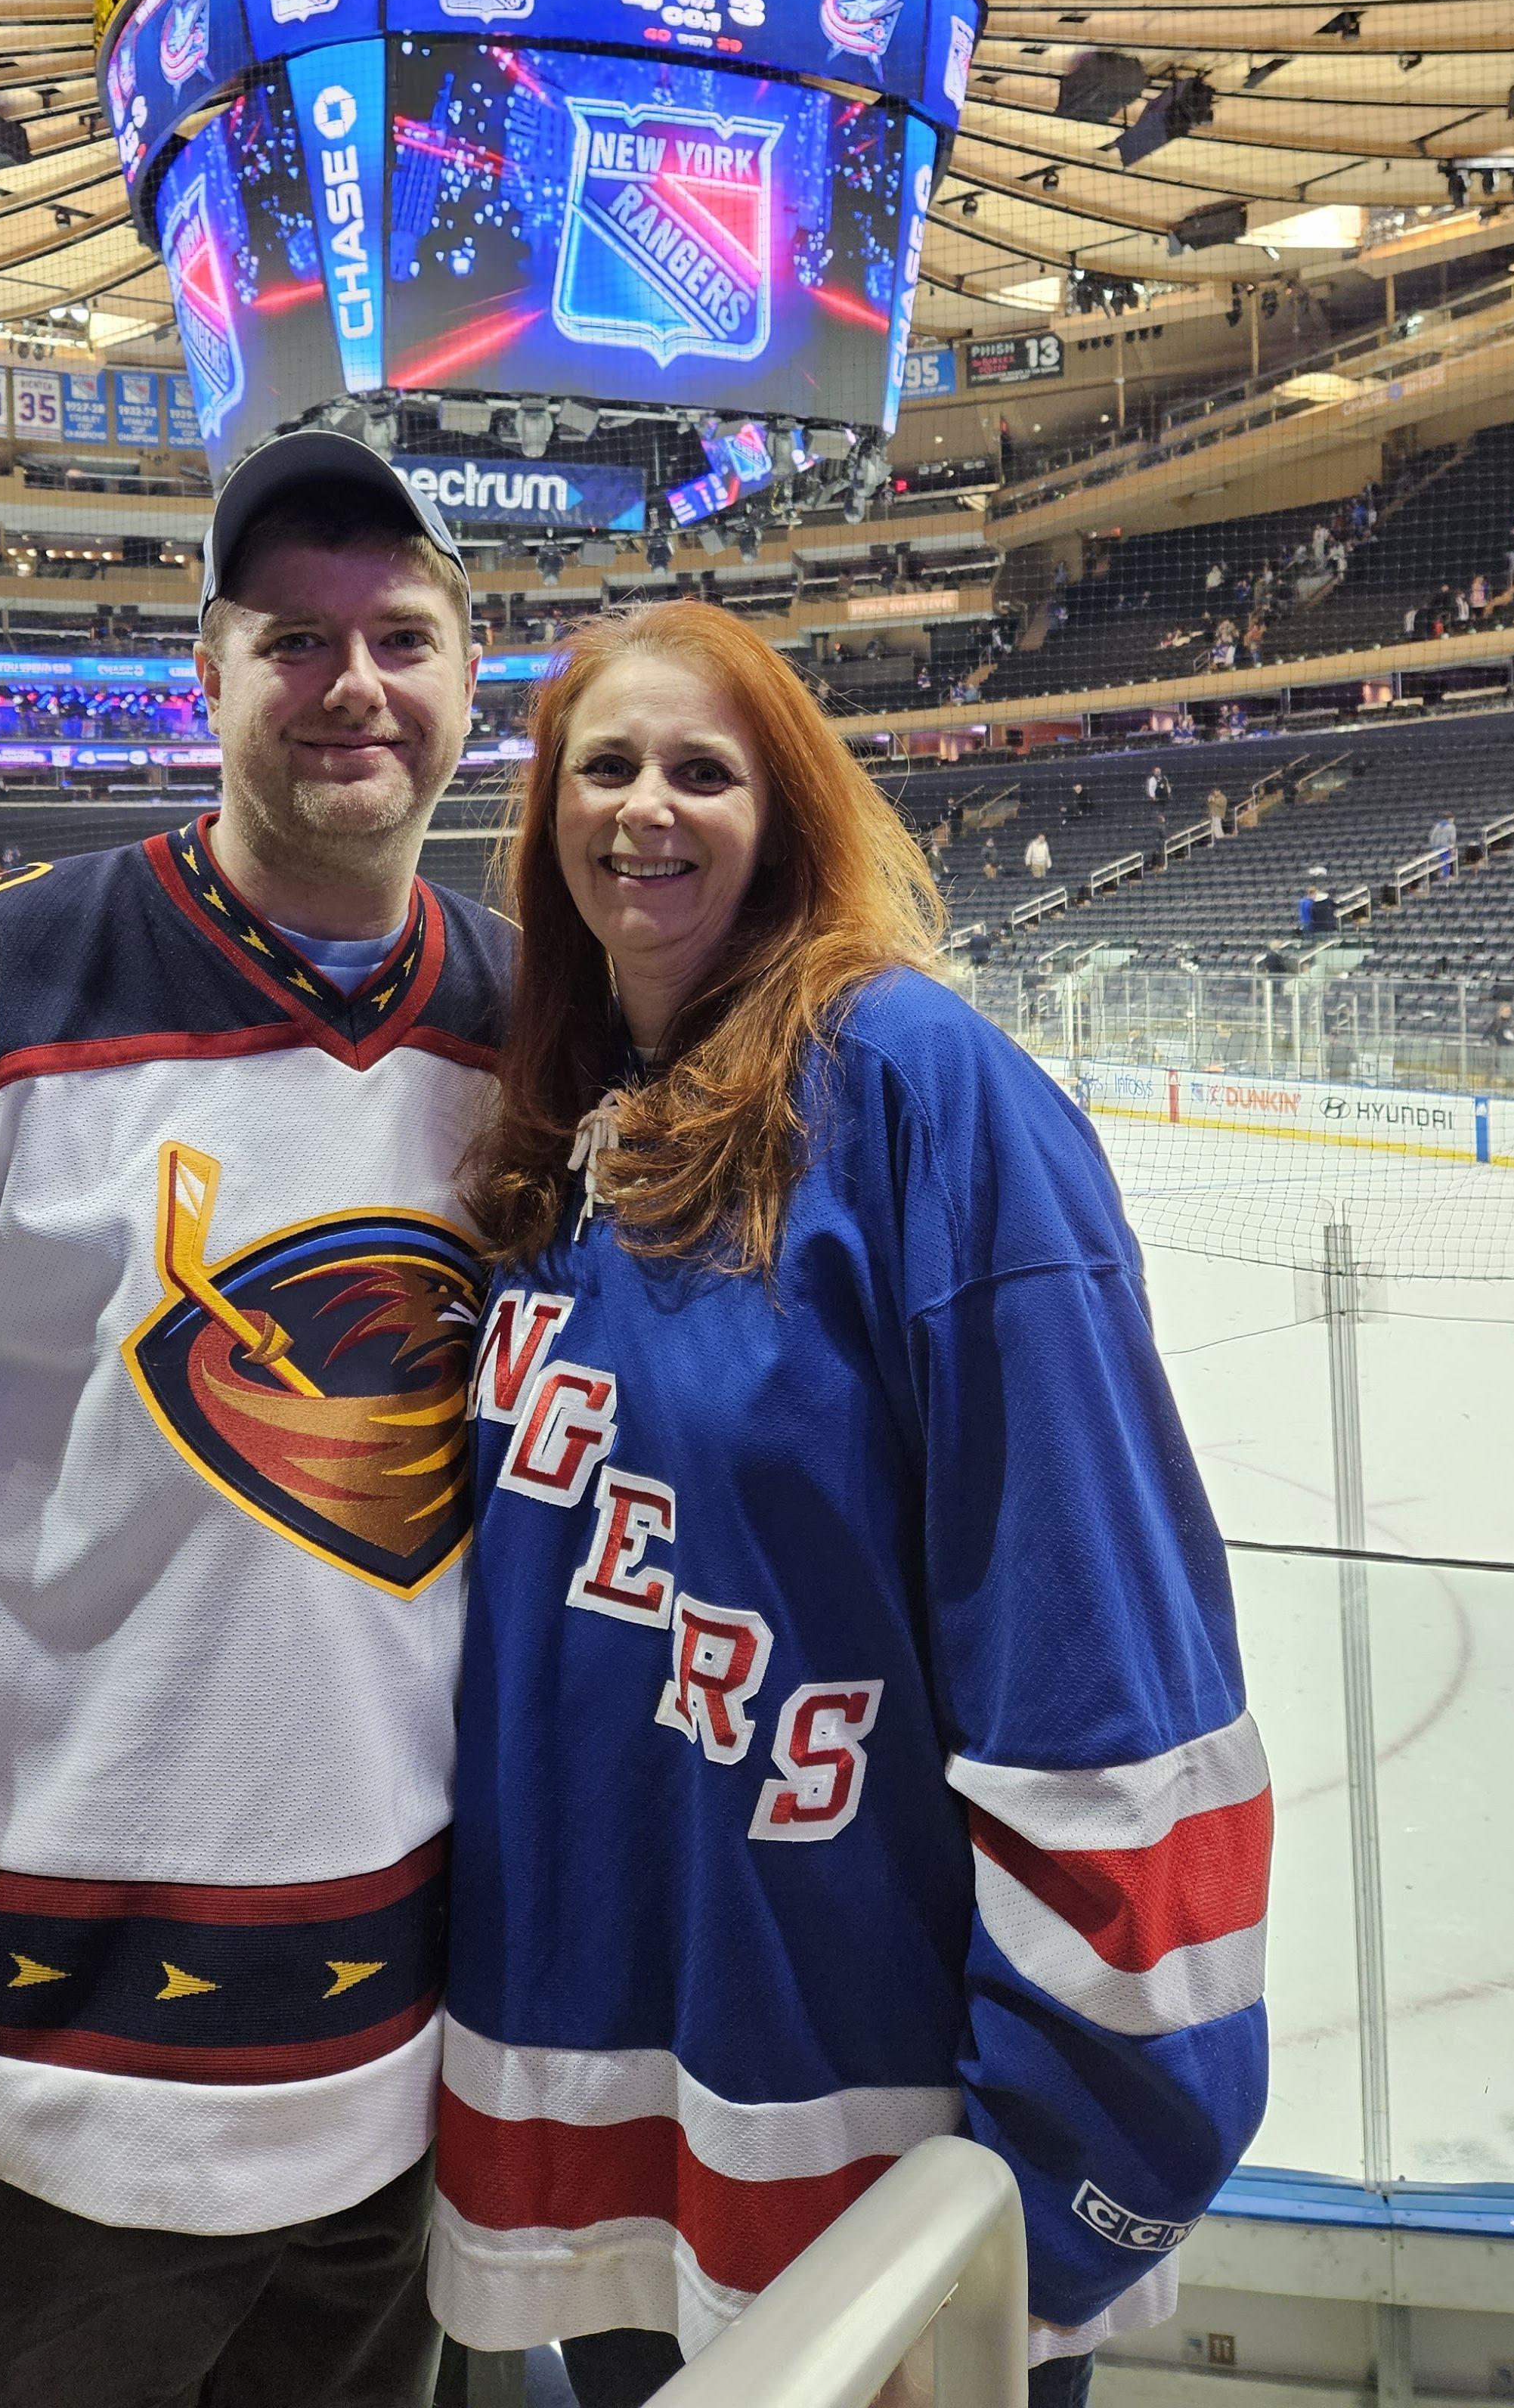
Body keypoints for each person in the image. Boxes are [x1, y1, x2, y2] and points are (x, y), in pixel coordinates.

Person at [0, 433, 512, 2408]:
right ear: (208, 679)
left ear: (471, 685)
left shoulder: (521, 1019)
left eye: (400, 635)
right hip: (43, 2069)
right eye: (293, 640)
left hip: (405, 2061)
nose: (355, 683)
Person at [429, 603, 1268, 2406]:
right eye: (608, 764)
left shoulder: (917, 1091)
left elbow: (1103, 1670)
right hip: (601, 2120)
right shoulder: (557, 1127)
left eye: (702, 768)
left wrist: (1030, 2207)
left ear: (788, 811)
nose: (647, 808)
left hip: (869, 2156)